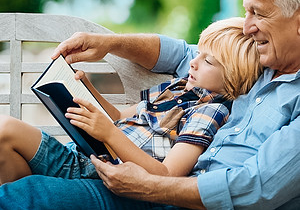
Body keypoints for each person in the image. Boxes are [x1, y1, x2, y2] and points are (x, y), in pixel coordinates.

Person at [0, 0, 299, 210]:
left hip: (157, 194)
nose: (247, 27)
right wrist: (106, 44)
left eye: (258, 13)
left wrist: (149, 187)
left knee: (27, 196)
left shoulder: (230, 88)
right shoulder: (258, 61)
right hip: (128, 179)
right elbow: (180, 53)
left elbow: (256, 188)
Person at [0, 17, 261, 183]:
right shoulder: (179, 88)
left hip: (93, 170)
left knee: (5, 130)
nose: (193, 62)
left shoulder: (209, 112)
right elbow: (118, 116)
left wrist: (110, 134)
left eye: (207, 61)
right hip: (80, 151)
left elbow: (167, 175)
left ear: (232, 78)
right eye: (199, 52)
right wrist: (85, 87)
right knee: (8, 157)